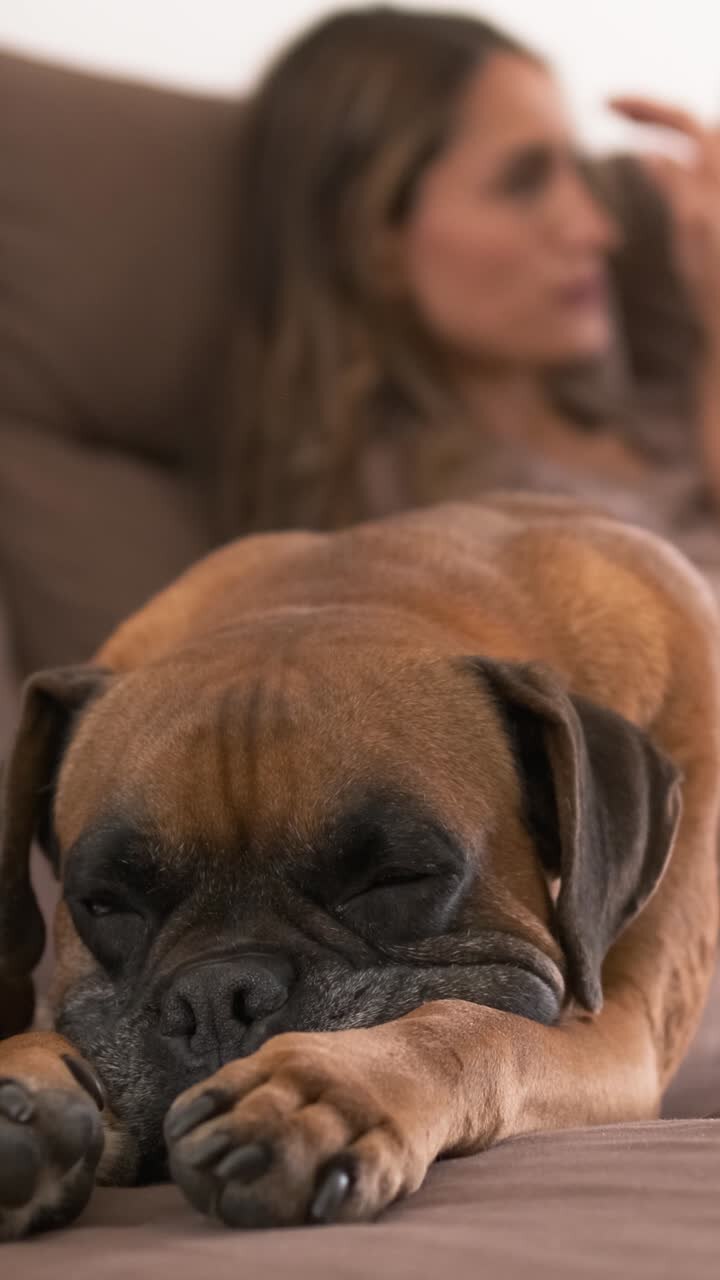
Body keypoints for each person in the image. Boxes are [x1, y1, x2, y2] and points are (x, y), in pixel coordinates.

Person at [218, 4, 720, 590]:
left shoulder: (664, 408)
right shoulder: (437, 531)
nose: (596, 228)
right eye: (523, 182)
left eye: (577, 170)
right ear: (376, 243)